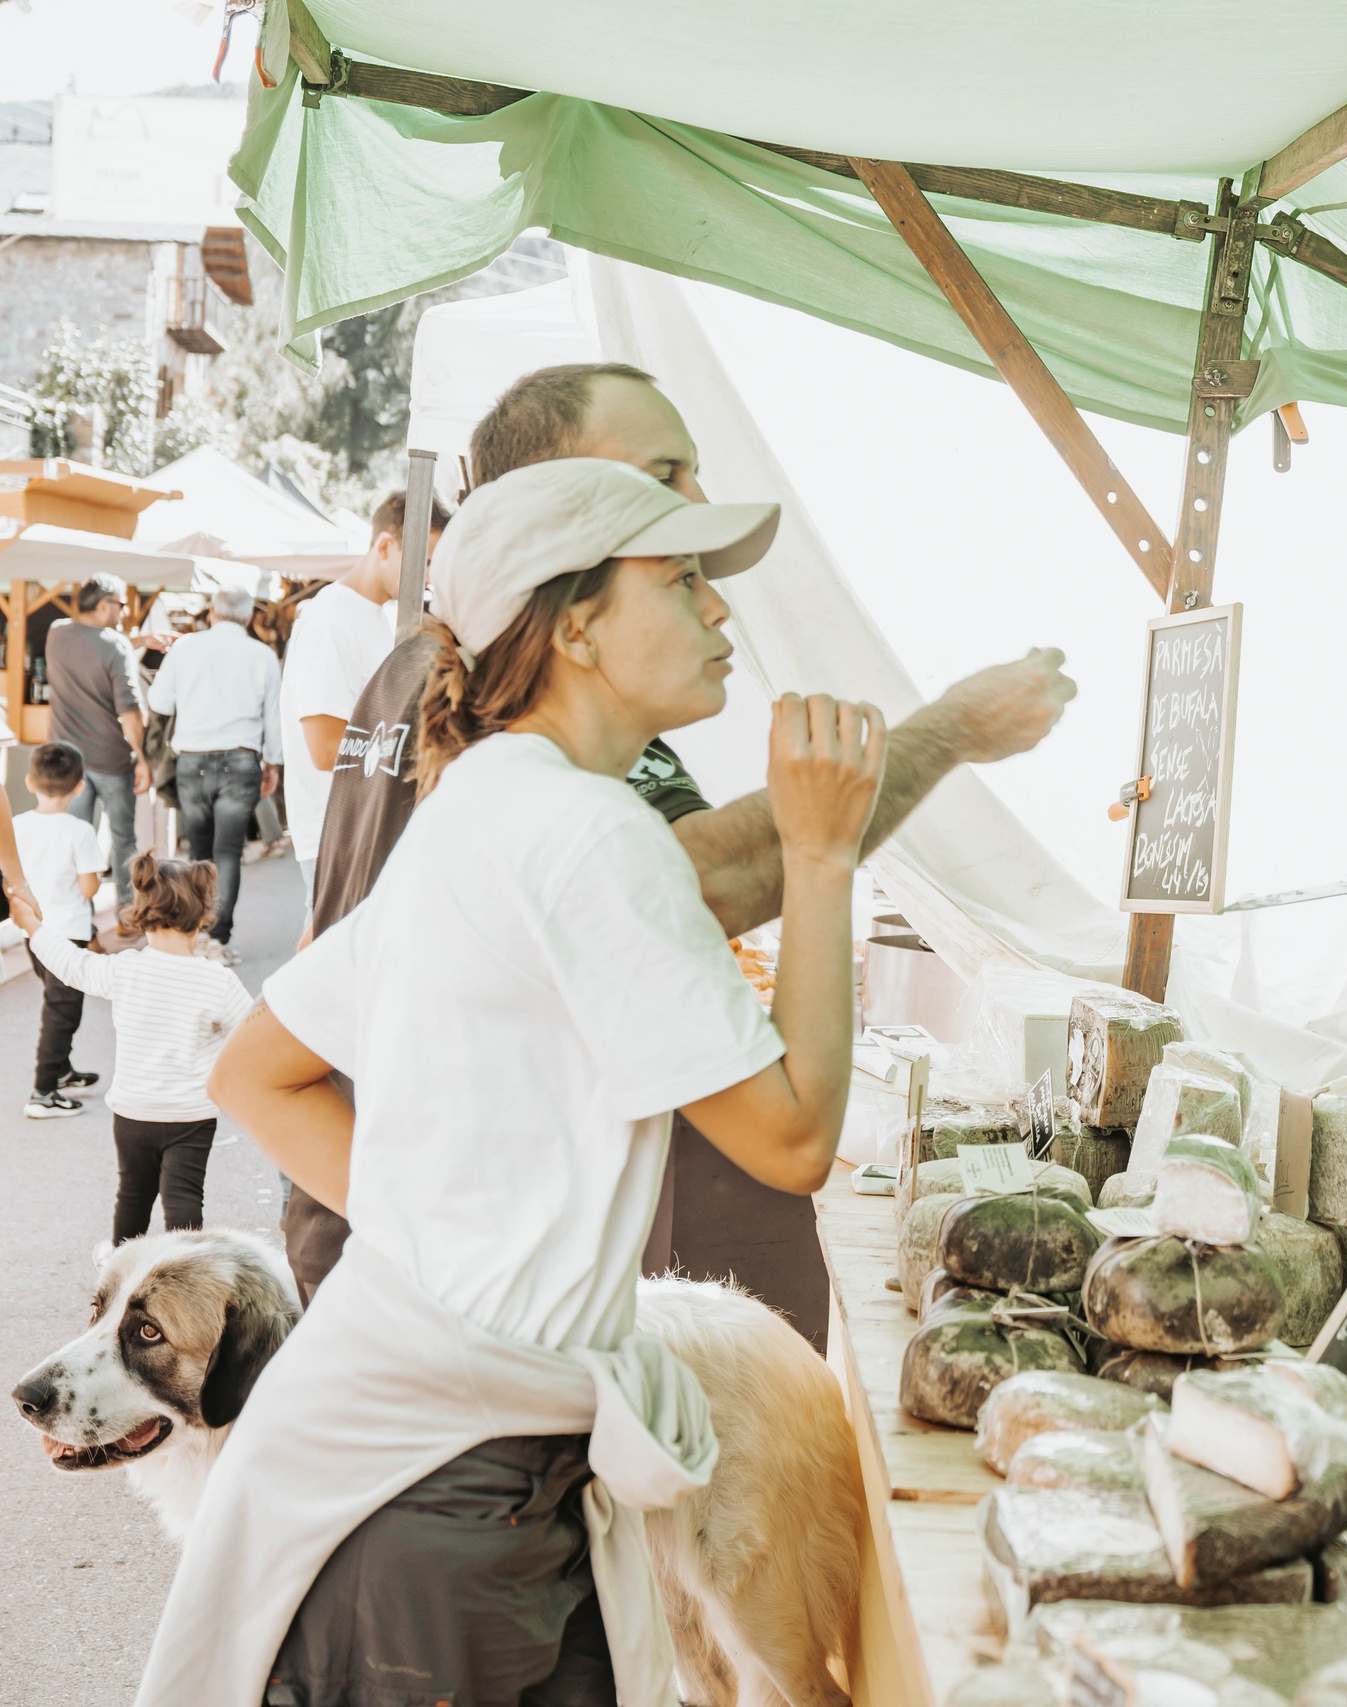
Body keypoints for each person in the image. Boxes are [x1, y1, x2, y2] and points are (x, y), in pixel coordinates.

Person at [136, 456, 884, 1706]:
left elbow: (254, 1074)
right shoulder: (590, 833)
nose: (719, 609)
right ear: (575, 625)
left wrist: (443, 1246)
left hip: (418, 1458)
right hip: (448, 1495)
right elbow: (797, 1139)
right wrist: (819, 855)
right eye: (682, 579)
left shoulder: (483, 800)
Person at [282, 361, 1077, 1334]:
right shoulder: (560, 797)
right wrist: (939, 741)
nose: (699, 523)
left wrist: (428, 1234)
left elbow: (271, 1043)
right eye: (664, 480)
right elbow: (709, 887)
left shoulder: (438, 693)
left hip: (380, 1264)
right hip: (436, 1315)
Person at [22, 852, 251, 1243]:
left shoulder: (125, 969)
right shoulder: (218, 982)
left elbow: (72, 964)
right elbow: (252, 1036)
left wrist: (31, 925)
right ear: (201, 916)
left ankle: (120, 1268)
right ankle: (185, 1272)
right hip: (191, 1114)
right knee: (184, 1199)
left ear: (142, 913)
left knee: (133, 1196)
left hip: (134, 1112)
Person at [279, 490, 443, 908]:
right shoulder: (330, 618)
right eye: (425, 562)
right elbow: (325, 748)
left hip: (364, 832)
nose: (429, 577)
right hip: (339, 837)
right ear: (384, 546)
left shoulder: (380, 616)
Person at [147, 585, 284, 959]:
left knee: (199, 852)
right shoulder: (262, 655)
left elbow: (158, 701)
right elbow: (274, 719)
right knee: (227, 853)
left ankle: (195, 935)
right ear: (249, 617)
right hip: (241, 762)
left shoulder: (185, 648)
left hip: (192, 762)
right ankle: (219, 941)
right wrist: (272, 764)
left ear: (212, 613)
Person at [40, 574, 149, 891]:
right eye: (122, 604)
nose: (124, 612)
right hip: (111, 759)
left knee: (73, 839)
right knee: (124, 839)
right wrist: (142, 758)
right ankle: (127, 911)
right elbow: (130, 713)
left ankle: (75, 912)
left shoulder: (56, 633)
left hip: (69, 763)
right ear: (104, 605)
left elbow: (92, 647)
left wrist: (138, 641)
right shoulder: (116, 646)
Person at [16, 742, 106, 1117]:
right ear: (79, 786)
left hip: (33, 931)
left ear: (29, 782)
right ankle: (43, 1092)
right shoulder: (80, 831)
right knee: (63, 1012)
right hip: (69, 933)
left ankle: (62, 1071)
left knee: (57, 1003)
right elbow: (88, 889)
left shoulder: (17, 825)